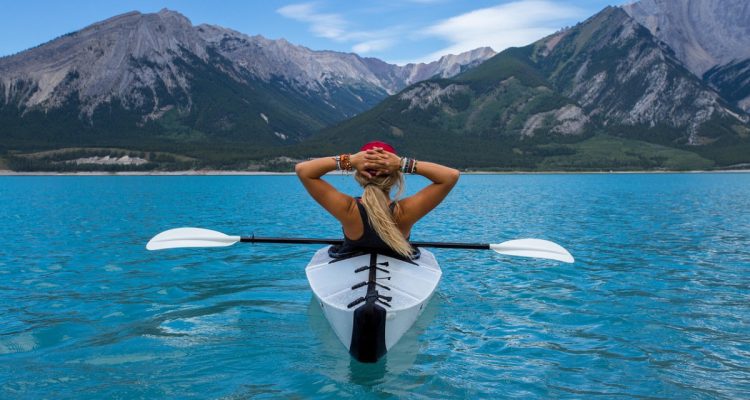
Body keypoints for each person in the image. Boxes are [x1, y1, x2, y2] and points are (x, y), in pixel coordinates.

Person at [295, 141, 459, 259]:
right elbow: (450, 176)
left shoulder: (348, 209)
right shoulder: (405, 211)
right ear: (396, 176)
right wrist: (402, 163)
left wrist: (349, 160)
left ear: (359, 175)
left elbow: (303, 170)